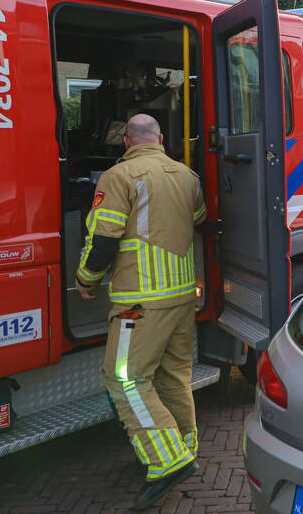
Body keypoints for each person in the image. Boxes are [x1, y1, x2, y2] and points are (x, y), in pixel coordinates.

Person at [75, 113, 207, 510]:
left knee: (125, 378)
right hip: (183, 298)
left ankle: (167, 460)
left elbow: (103, 240)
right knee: (173, 377)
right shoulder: (188, 175)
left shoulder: (119, 177)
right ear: (161, 139)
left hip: (140, 302)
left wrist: (86, 280)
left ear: (127, 142)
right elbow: (199, 219)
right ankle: (185, 447)